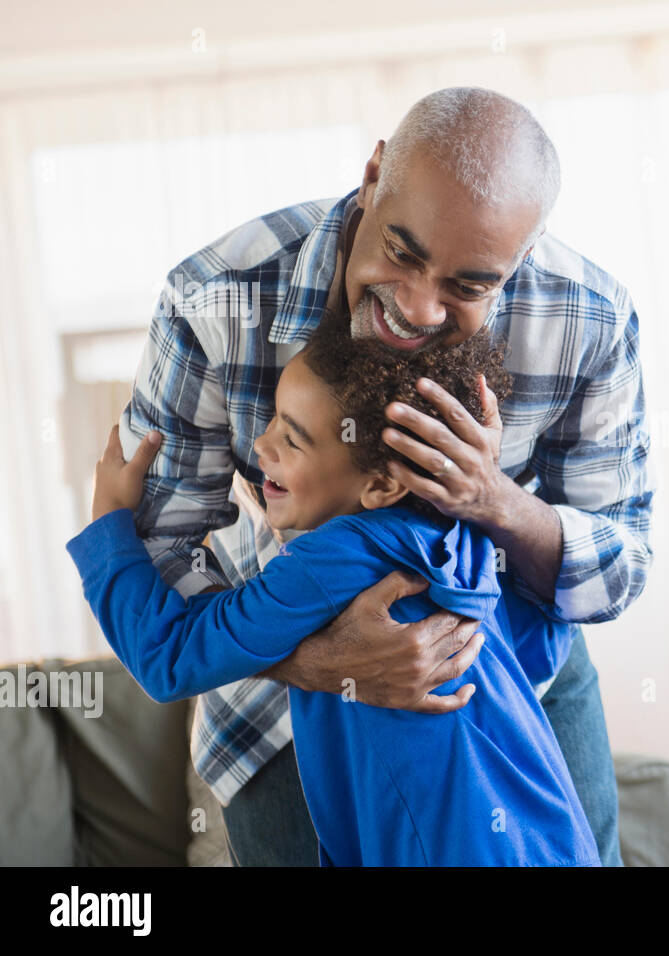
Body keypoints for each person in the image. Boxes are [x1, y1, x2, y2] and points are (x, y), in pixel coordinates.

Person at [119, 87, 654, 865]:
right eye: (402, 252)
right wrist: (321, 660)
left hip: (510, 684)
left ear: (523, 256)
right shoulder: (214, 302)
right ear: (373, 176)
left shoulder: (588, 321)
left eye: (468, 286)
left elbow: (622, 566)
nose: (416, 308)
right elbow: (161, 554)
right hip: (277, 698)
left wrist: (494, 500)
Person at [70, 325, 600, 866]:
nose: (260, 446)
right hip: (551, 839)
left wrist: (108, 522)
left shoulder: (335, 556)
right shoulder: (467, 541)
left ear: (381, 486)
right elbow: (542, 647)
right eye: (272, 420)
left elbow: (171, 657)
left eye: (292, 439)